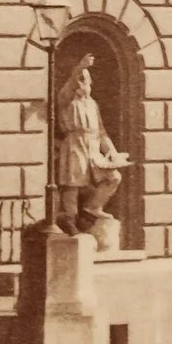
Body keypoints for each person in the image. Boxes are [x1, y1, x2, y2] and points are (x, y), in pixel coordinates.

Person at [52, 53, 130, 235]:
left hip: (93, 145)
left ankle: (92, 207)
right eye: (80, 80)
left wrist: (112, 152)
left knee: (114, 177)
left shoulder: (92, 104)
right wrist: (80, 67)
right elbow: (70, 84)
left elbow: (101, 131)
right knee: (73, 185)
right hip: (74, 144)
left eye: (86, 80)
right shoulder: (67, 99)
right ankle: (70, 219)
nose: (83, 83)